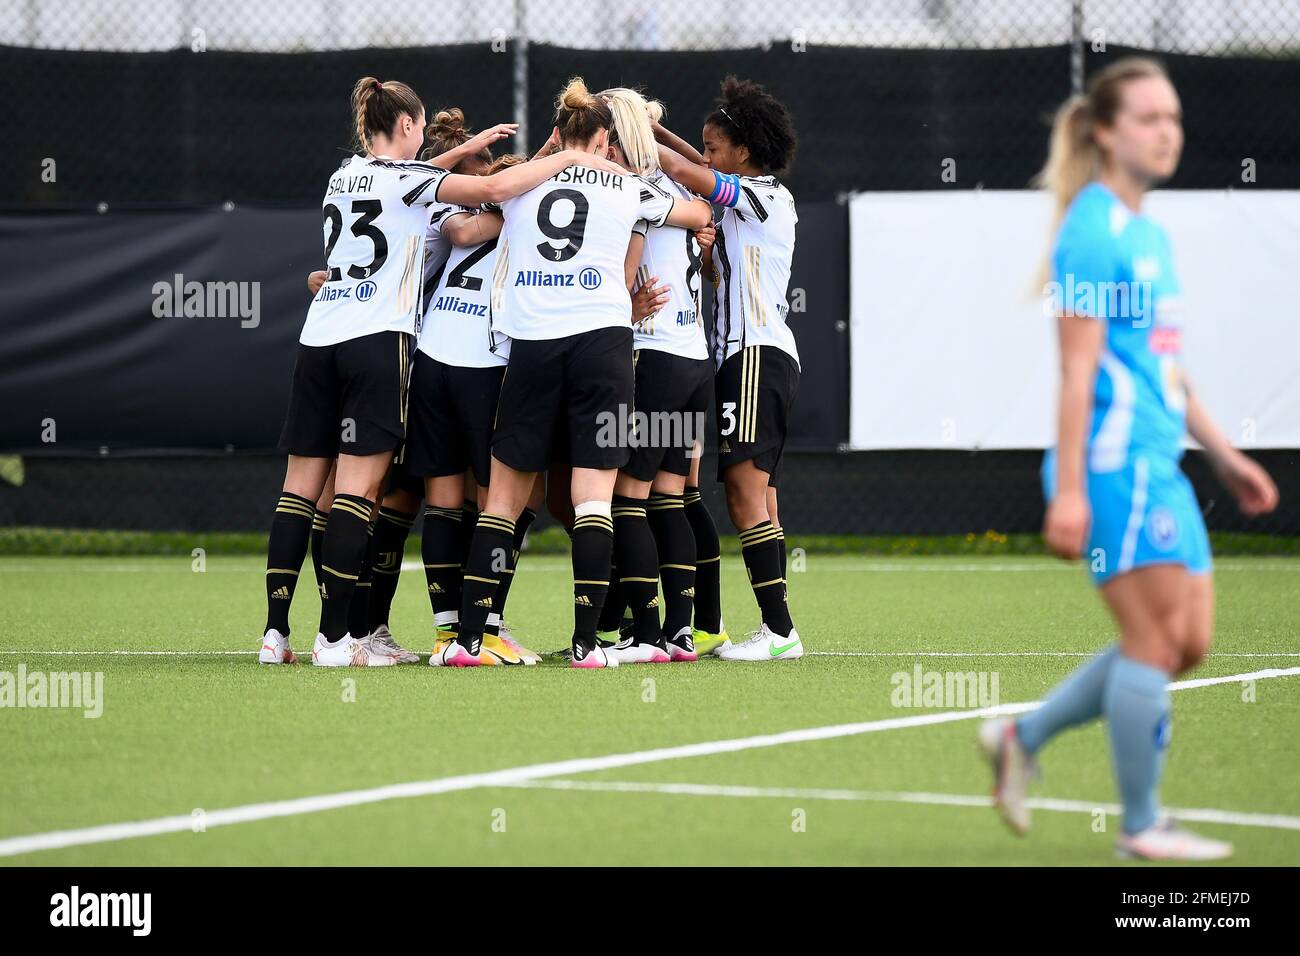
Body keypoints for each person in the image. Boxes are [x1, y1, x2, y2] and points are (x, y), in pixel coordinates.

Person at [979, 57, 1279, 860]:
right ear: (1107, 132)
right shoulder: (1092, 232)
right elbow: (1078, 372)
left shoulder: (1148, 233)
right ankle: (1142, 827)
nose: (1167, 132)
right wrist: (1070, 491)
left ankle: (1021, 736)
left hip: (1164, 462)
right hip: (1116, 468)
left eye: (1173, 118)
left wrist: (1225, 455)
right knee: (1153, 644)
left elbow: (1165, 366)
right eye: (1149, 118)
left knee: (1188, 646)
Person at [258, 75, 627, 667]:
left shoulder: (343, 175)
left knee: (311, 492)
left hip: (324, 336)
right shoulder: (424, 186)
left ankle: (281, 634)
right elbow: (488, 190)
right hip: (392, 346)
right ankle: (357, 637)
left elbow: (467, 188)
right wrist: (571, 161)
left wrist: (516, 163)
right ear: (407, 127)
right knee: (379, 492)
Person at [435, 76, 711, 669]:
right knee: (594, 500)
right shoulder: (630, 186)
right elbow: (697, 209)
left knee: (502, 502)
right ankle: (588, 644)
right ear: (606, 138)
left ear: (559, 133)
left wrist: (549, 154)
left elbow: (477, 200)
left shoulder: (521, 184)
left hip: (533, 345)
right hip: (602, 347)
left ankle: (467, 641)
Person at [654, 76, 803, 661]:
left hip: (755, 355)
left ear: (743, 153)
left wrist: (635, 133)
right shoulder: (741, 192)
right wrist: (659, 132)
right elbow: (696, 165)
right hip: (757, 357)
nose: (706, 153)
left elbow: (690, 174)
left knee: (744, 497)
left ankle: (779, 630)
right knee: (762, 501)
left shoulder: (766, 195)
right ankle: (778, 628)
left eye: (716, 146)